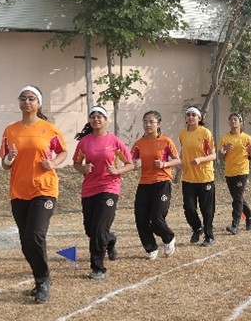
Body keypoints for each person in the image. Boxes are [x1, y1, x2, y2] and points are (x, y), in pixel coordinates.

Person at [0, 85, 69, 303]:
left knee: (35, 235)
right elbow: (4, 164)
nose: (26, 102)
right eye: (23, 98)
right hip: (19, 191)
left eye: (31, 99)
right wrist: (9, 158)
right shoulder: (10, 130)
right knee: (25, 241)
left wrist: (53, 163)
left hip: (44, 189)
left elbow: (63, 151)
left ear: (38, 104)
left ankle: (43, 279)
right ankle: (40, 276)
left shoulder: (49, 128)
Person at [72, 105, 134, 280]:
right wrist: (82, 167)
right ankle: (110, 238)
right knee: (91, 230)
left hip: (109, 188)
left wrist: (118, 171)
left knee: (99, 230)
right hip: (89, 189)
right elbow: (76, 163)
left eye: (100, 116)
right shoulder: (84, 142)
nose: (96, 119)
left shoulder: (114, 141)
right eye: (93, 116)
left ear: (106, 120)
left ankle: (98, 268)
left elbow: (130, 164)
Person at [131, 110, 182, 259]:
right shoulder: (139, 144)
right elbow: (131, 161)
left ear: (158, 124)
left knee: (157, 218)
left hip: (162, 182)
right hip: (145, 184)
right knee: (141, 218)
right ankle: (150, 248)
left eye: (151, 122)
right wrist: (135, 164)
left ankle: (168, 237)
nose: (147, 124)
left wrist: (165, 164)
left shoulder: (166, 141)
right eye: (145, 121)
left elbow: (177, 160)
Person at [179, 106, 218, 246]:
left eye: (193, 115)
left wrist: (200, 160)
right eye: (188, 115)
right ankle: (197, 227)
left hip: (204, 177)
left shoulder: (205, 133)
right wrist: (179, 162)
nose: (190, 117)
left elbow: (213, 155)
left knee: (206, 209)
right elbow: (183, 150)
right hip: (188, 177)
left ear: (199, 118)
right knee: (189, 208)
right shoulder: (182, 134)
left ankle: (209, 236)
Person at [218, 112, 251, 234]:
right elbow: (221, 157)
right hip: (230, 171)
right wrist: (224, 150)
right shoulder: (225, 138)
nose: (233, 122)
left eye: (235, 119)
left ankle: (235, 224)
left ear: (240, 122)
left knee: (237, 198)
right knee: (237, 197)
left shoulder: (246, 138)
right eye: (231, 120)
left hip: (242, 171)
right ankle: (250, 215)